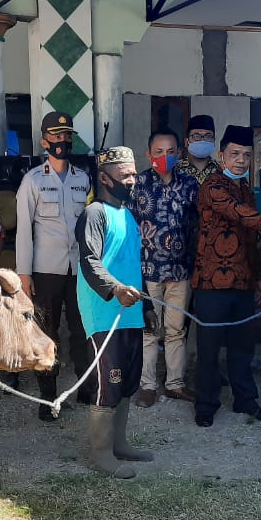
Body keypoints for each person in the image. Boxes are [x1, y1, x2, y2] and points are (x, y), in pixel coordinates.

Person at [192, 124, 261, 428]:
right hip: (211, 283)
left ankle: (245, 400)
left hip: (242, 283)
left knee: (242, 348)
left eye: (247, 155)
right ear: (221, 155)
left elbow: (251, 240)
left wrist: (259, 278)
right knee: (209, 348)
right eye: (235, 154)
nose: (240, 160)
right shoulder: (212, 185)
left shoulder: (246, 190)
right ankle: (206, 405)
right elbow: (240, 214)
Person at [76, 146, 152, 478]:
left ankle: (119, 444)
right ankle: (100, 453)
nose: (133, 180)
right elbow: (90, 261)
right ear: (105, 178)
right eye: (126, 175)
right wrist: (115, 289)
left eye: (134, 174)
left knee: (127, 381)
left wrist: (144, 305)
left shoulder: (128, 215)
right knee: (108, 383)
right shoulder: (94, 213)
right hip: (105, 312)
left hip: (130, 312)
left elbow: (132, 264)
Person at [16, 111, 94, 421]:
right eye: (56, 136)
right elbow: (24, 230)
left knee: (82, 329)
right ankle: (48, 396)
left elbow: (90, 222)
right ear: (44, 141)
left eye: (66, 136)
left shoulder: (83, 178)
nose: (62, 141)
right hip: (45, 268)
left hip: (78, 269)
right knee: (47, 332)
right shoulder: (33, 180)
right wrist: (24, 272)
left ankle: (87, 388)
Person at [130, 129, 199, 407]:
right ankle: (147, 385)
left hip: (180, 272)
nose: (165, 157)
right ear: (148, 155)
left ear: (179, 154)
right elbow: (129, 231)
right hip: (148, 271)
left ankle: (175, 383)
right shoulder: (138, 185)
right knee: (149, 330)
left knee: (176, 329)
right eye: (158, 152)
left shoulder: (190, 185)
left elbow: (197, 226)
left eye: (171, 152)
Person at [175, 114, 222, 185]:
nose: (202, 140)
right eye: (196, 136)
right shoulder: (174, 170)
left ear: (214, 141)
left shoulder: (221, 170)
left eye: (208, 136)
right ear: (186, 142)